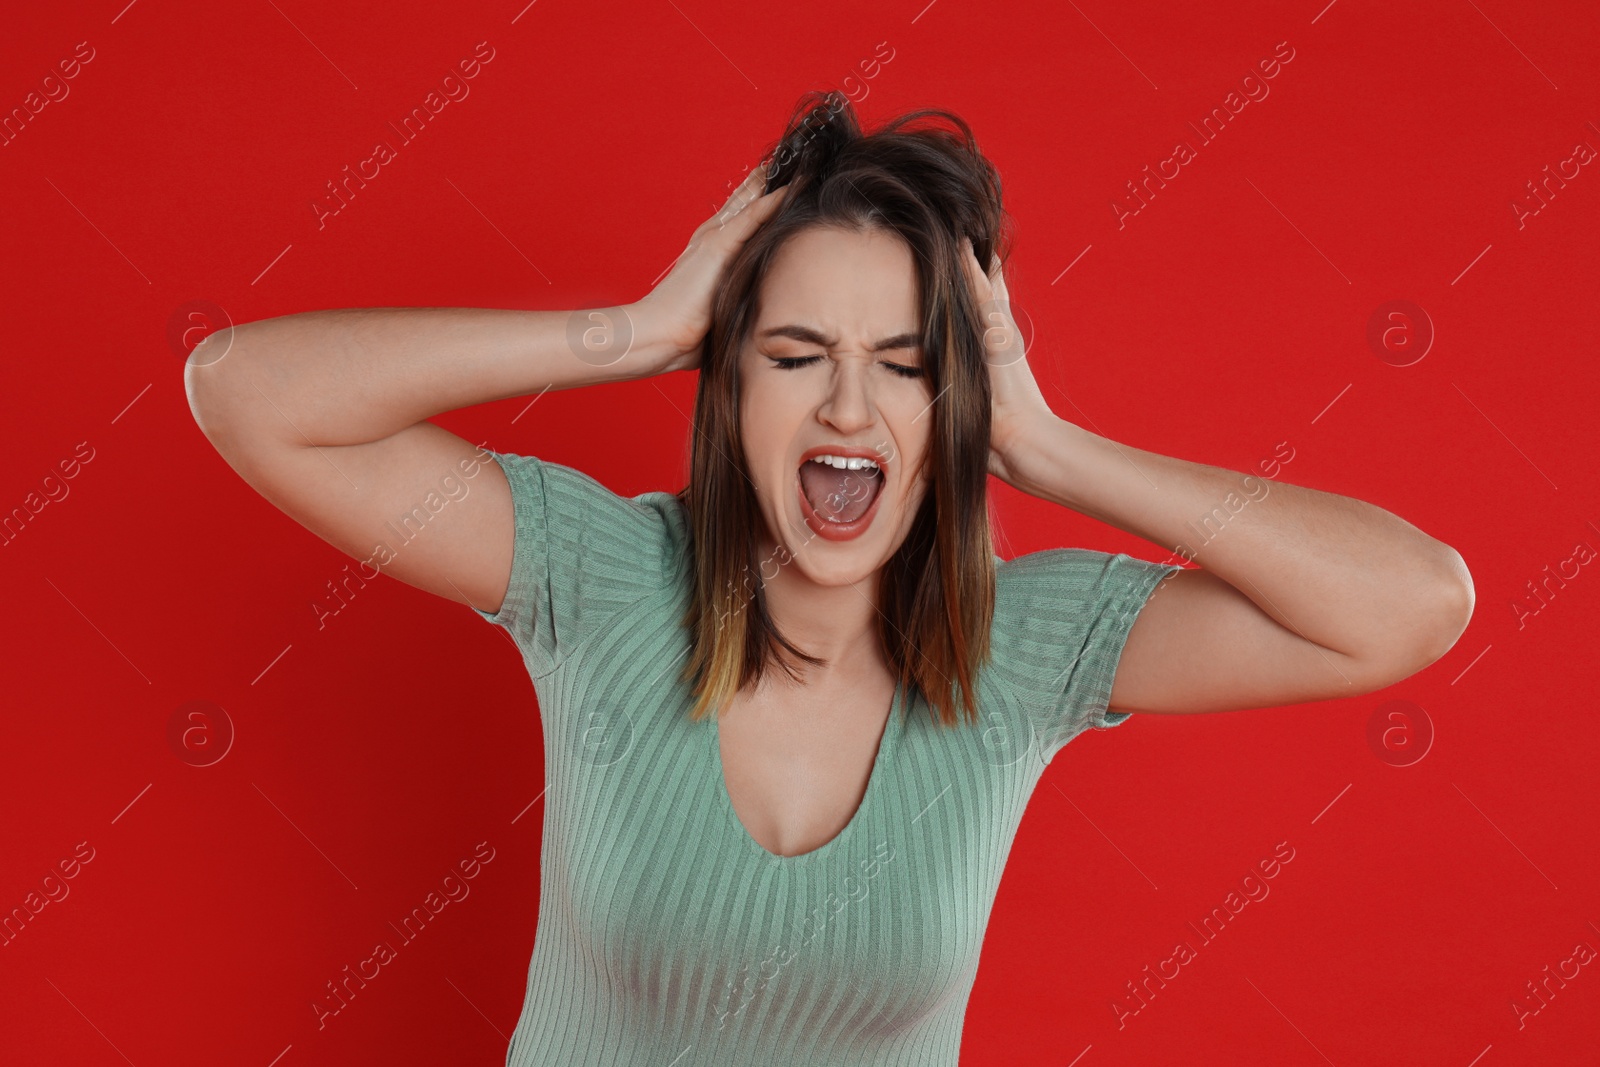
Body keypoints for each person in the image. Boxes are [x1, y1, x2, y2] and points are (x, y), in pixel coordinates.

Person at [184, 90, 1474, 1065]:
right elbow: (245, 395)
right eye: (796, 355)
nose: (851, 405)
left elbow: (1412, 605)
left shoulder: (1026, 647)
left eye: (906, 364)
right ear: (730, 387)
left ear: (951, 401)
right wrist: (636, 330)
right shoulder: (601, 574)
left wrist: (1045, 444)